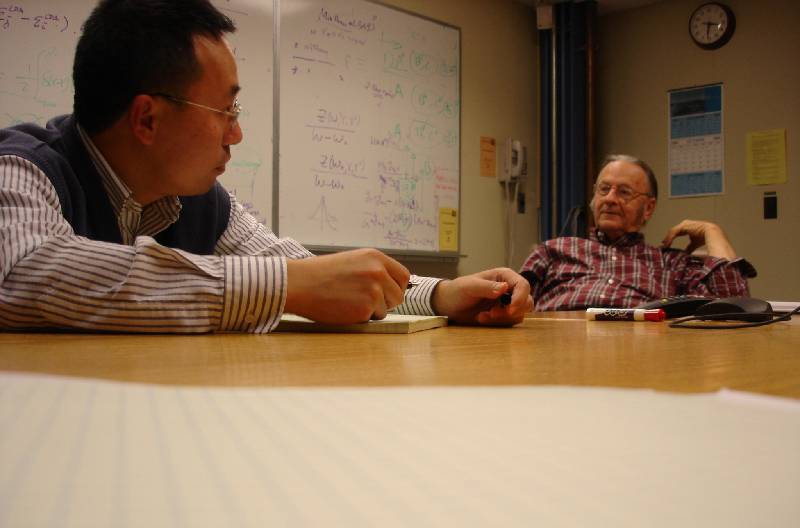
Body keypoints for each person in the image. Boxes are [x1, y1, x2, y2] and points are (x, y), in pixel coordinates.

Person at [0, 0, 531, 333]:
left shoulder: (200, 201)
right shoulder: (23, 169)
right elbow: (26, 273)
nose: (236, 134)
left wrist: (439, 295)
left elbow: (300, 269)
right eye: (225, 112)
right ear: (147, 119)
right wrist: (284, 285)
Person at [519, 154, 756, 311]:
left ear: (648, 208)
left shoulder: (671, 263)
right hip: (557, 345)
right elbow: (511, 303)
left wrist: (712, 230)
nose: (610, 199)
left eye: (624, 192)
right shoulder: (554, 250)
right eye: (604, 189)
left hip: (638, 350)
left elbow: (735, 304)